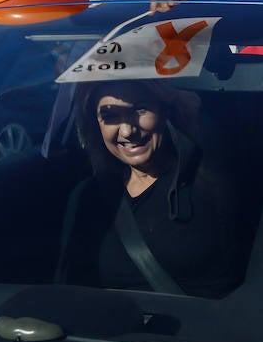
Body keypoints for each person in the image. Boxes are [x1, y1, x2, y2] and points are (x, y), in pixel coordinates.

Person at [58, 80, 245, 298]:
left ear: (166, 110)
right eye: (110, 116)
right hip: (104, 329)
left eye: (140, 109)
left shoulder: (208, 180)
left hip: (196, 327)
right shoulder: (87, 197)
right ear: (96, 125)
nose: (127, 131)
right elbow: (69, 289)